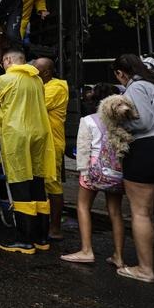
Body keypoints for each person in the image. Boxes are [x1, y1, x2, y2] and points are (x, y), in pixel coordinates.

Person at [111, 54, 154, 283]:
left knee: (141, 212)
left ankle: (145, 269)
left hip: (145, 151)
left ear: (121, 73)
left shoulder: (136, 87)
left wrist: (118, 120)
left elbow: (143, 122)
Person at [0, 49, 55, 254]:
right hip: (39, 133)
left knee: (20, 184)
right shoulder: (37, 80)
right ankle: (41, 238)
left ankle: (24, 241)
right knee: (37, 184)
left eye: (2, 61)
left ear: (8, 60)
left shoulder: (5, 79)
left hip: (17, 135)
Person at [61, 88, 131, 267]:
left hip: (93, 171)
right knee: (115, 213)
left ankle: (86, 250)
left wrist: (83, 172)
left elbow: (83, 149)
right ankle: (119, 256)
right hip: (116, 172)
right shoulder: (124, 123)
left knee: (83, 206)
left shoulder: (88, 121)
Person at [33, 58, 69, 241]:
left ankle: (55, 228)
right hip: (42, 142)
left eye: (36, 70)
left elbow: (34, 106)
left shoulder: (57, 88)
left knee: (52, 185)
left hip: (52, 144)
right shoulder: (43, 85)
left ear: (46, 73)